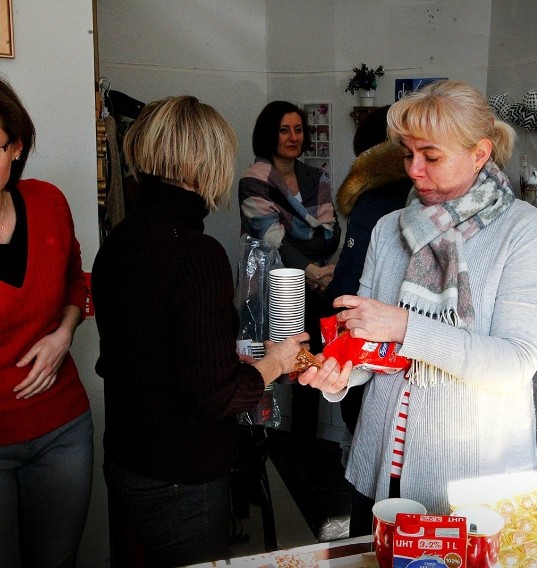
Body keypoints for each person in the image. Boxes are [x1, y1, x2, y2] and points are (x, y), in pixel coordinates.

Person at [92, 95, 350, 567]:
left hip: (127, 460)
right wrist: (276, 360)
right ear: (200, 162)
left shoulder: (119, 240)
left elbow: (152, 351)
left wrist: (226, 359)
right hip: (180, 476)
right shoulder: (196, 254)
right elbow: (213, 397)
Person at [322, 80, 537, 534]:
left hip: (469, 482)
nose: (413, 169)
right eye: (407, 153)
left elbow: (514, 361)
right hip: (379, 470)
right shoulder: (390, 227)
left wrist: (406, 326)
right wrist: (339, 369)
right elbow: (371, 346)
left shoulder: (524, 232)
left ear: (479, 153)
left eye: (431, 157)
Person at [0, 71, 93, 567]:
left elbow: (76, 278)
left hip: (62, 429)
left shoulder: (47, 202)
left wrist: (64, 333)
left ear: (15, 148)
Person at [239, 100, 341, 439]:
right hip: (270, 293)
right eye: (284, 129)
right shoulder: (253, 182)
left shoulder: (316, 177)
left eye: (298, 129)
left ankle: (305, 445)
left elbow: (331, 233)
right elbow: (271, 239)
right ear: (269, 134)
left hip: (314, 290)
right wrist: (311, 267)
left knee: (307, 364)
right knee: (262, 367)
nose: (293, 136)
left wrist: (312, 267)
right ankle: (259, 445)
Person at [322, 105, 412, 439]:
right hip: (419, 385)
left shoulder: (374, 201)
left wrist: (329, 300)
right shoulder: (420, 201)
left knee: (364, 440)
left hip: (372, 362)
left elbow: (351, 292)